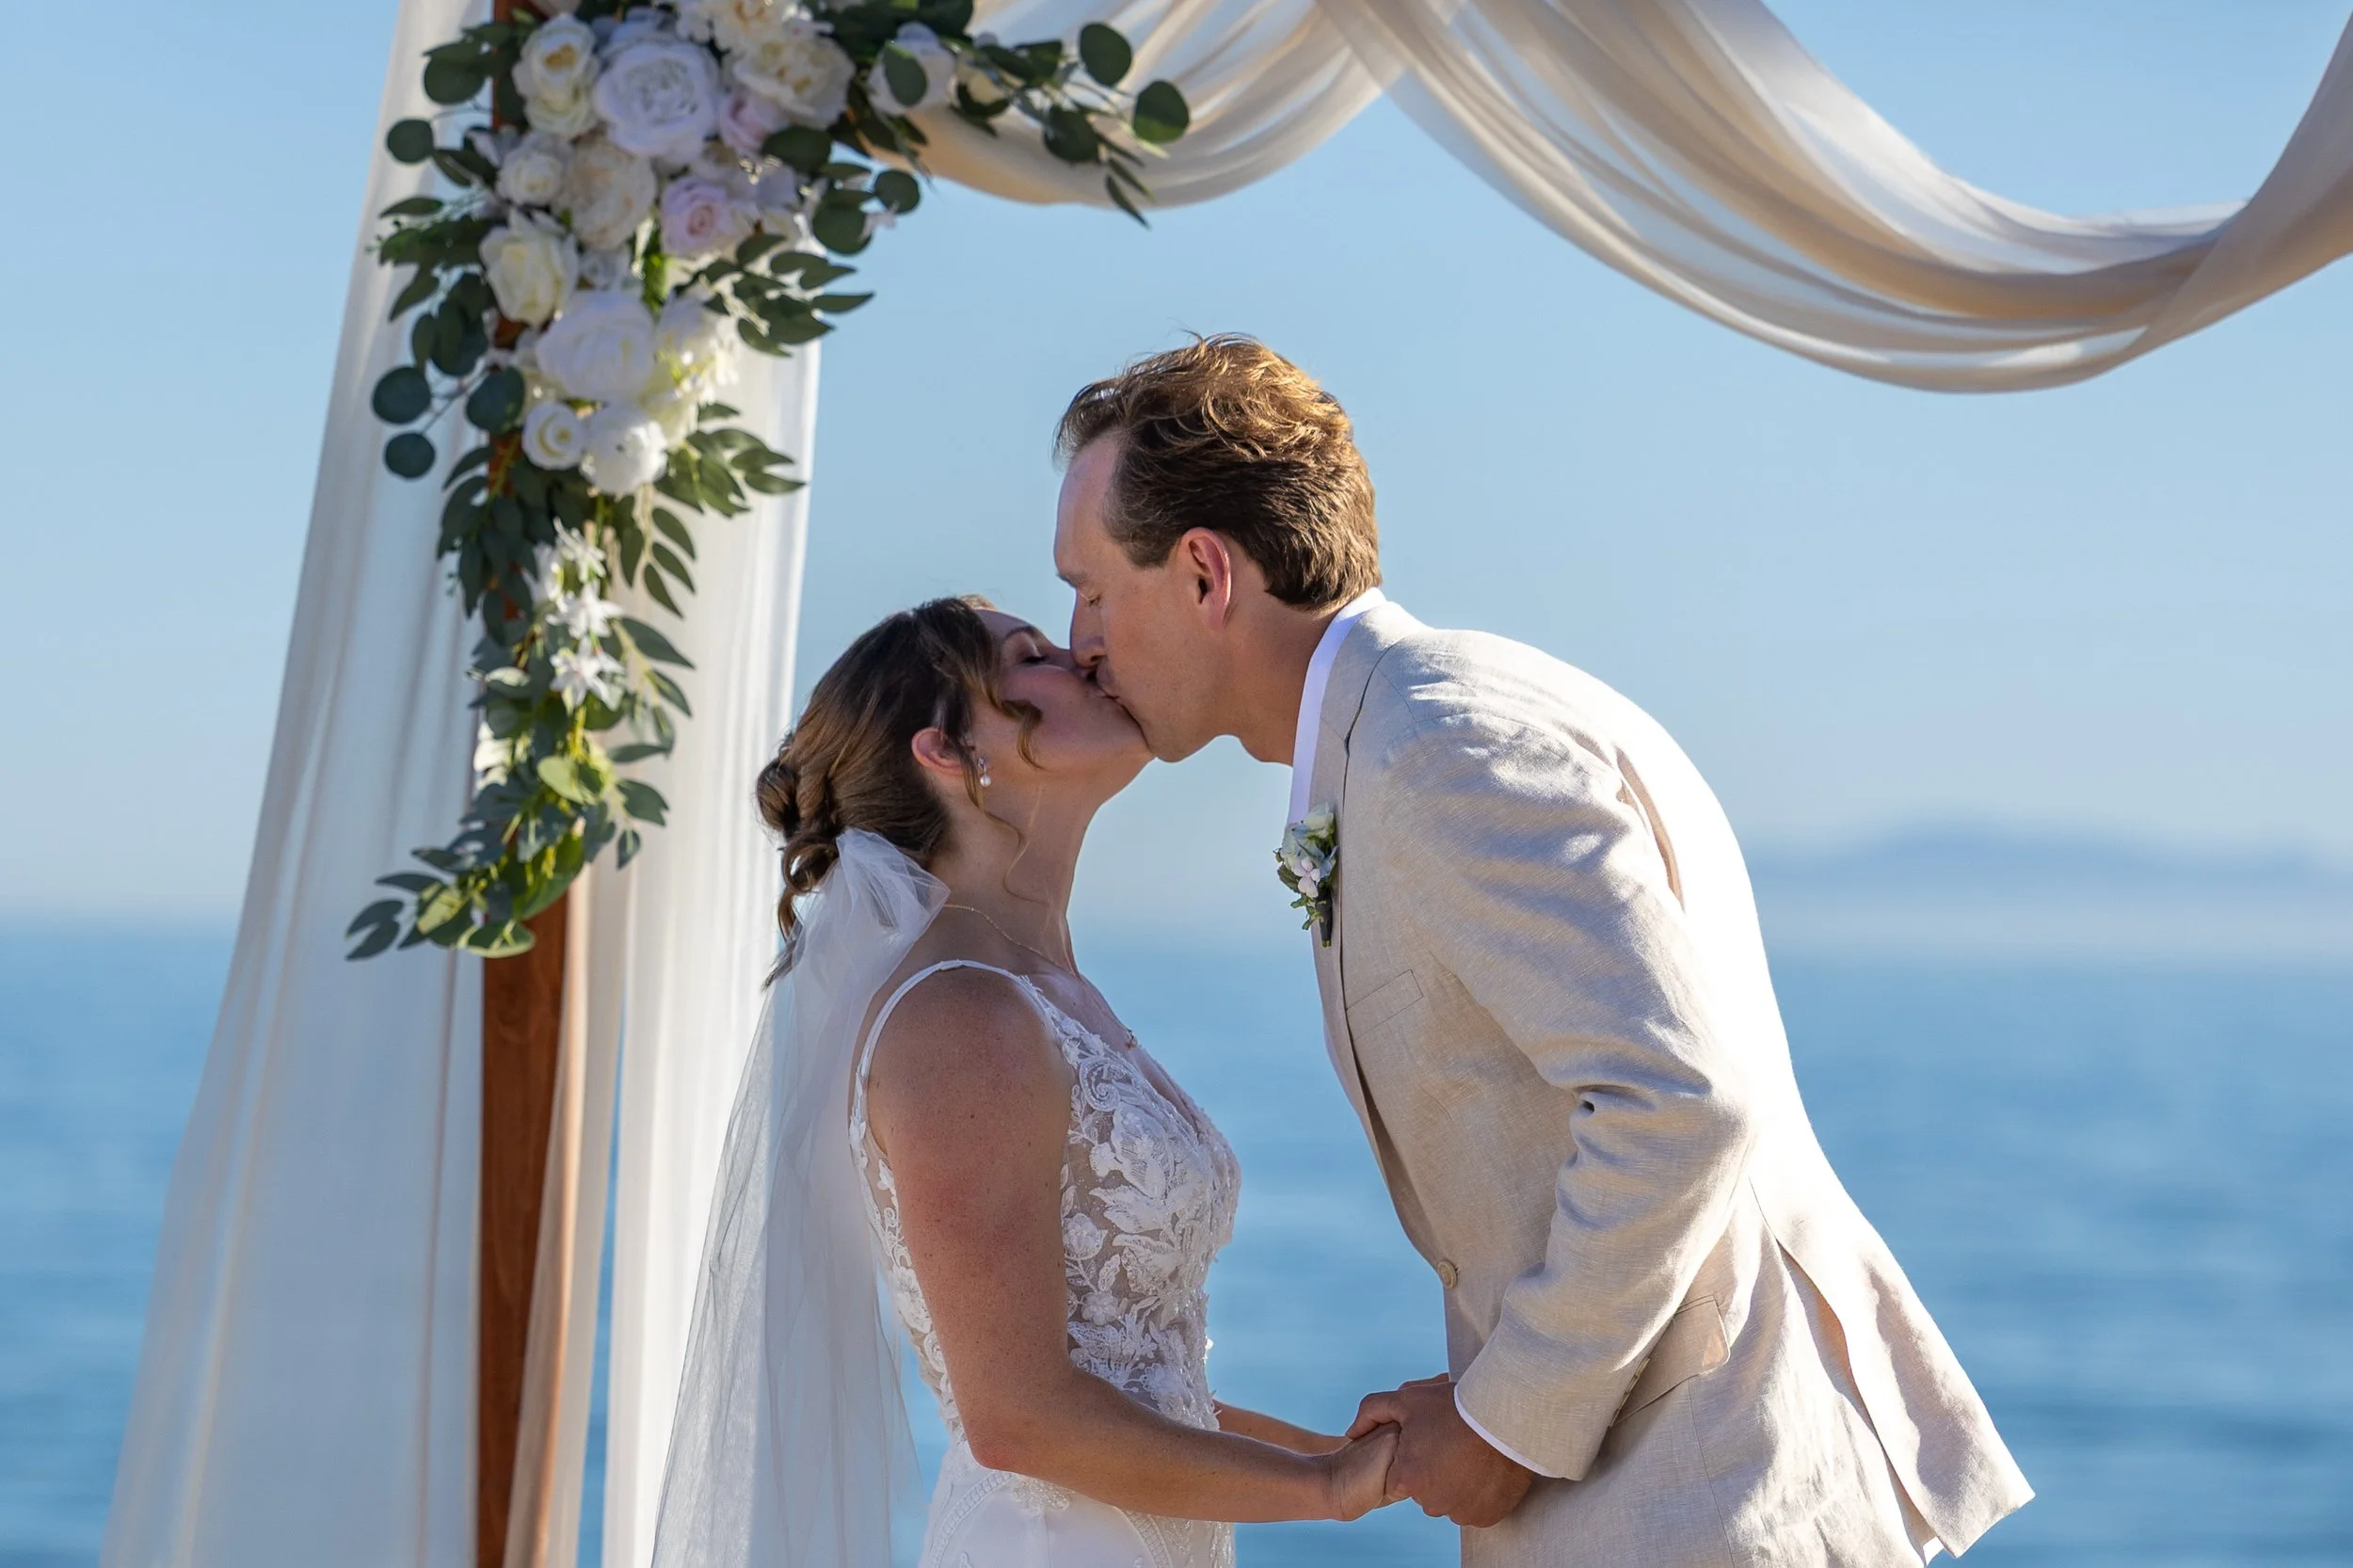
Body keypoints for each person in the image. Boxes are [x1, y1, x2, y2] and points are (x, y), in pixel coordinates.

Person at [1048, 335, 2034, 1565]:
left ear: (1204, 572)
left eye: (1090, 586)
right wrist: (1476, 1392)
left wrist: (1505, 1422)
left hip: (1705, 1500)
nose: (1076, 635)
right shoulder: (1418, 725)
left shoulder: (1434, 740)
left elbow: (1679, 1100)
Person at [653, 595, 1397, 1568]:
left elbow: (1139, 1385)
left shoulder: (1040, 989)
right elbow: (1019, 1416)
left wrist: (1350, 1451)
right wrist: (1328, 1492)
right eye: (1030, 658)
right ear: (951, 756)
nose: (1087, 656)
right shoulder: (961, 1016)